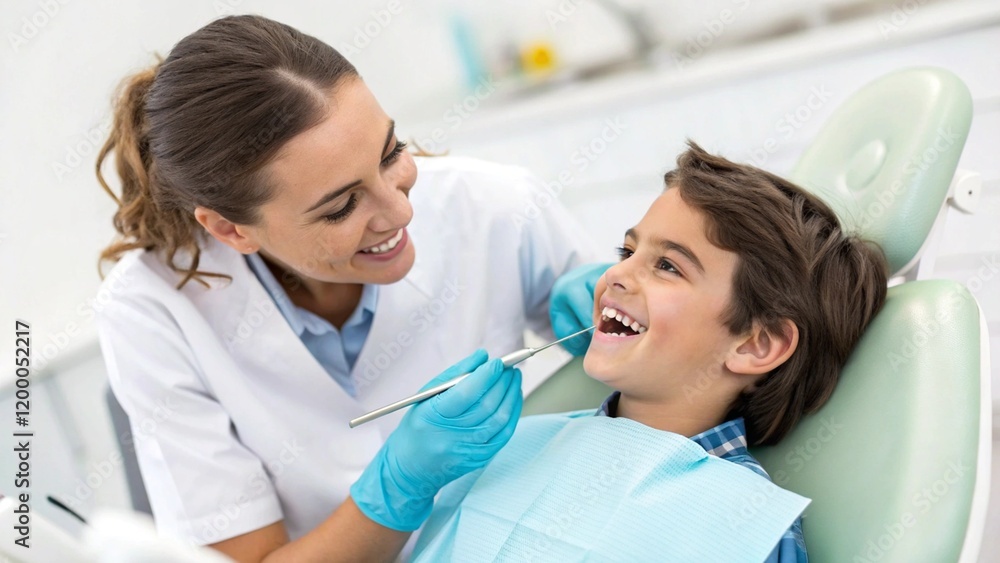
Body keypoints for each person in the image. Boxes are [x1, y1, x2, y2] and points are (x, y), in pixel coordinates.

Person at [94, 15, 603, 562]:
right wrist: (398, 489)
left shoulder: (494, 206)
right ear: (230, 228)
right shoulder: (150, 311)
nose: (401, 211)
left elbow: (654, 374)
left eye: (391, 153)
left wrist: (618, 309)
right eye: (341, 207)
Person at [411, 142, 890, 562]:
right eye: (627, 252)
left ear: (755, 343)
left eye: (667, 266)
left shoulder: (747, 525)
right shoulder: (514, 449)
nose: (615, 275)